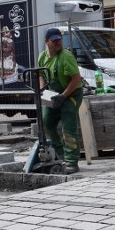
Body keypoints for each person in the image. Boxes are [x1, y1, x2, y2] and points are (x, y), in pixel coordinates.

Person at [38, 27, 84, 174]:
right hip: (54, 94)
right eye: (55, 40)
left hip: (71, 94)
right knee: (47, 121)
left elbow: (76, 79)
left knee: (68, 125)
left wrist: (64, 96)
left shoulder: (66, 56)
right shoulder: (42, 57)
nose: (58, 42)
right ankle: (61, 154)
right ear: (47, 42)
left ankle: (71, 162)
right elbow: (40, 74)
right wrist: (43, 89)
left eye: (60, 39)